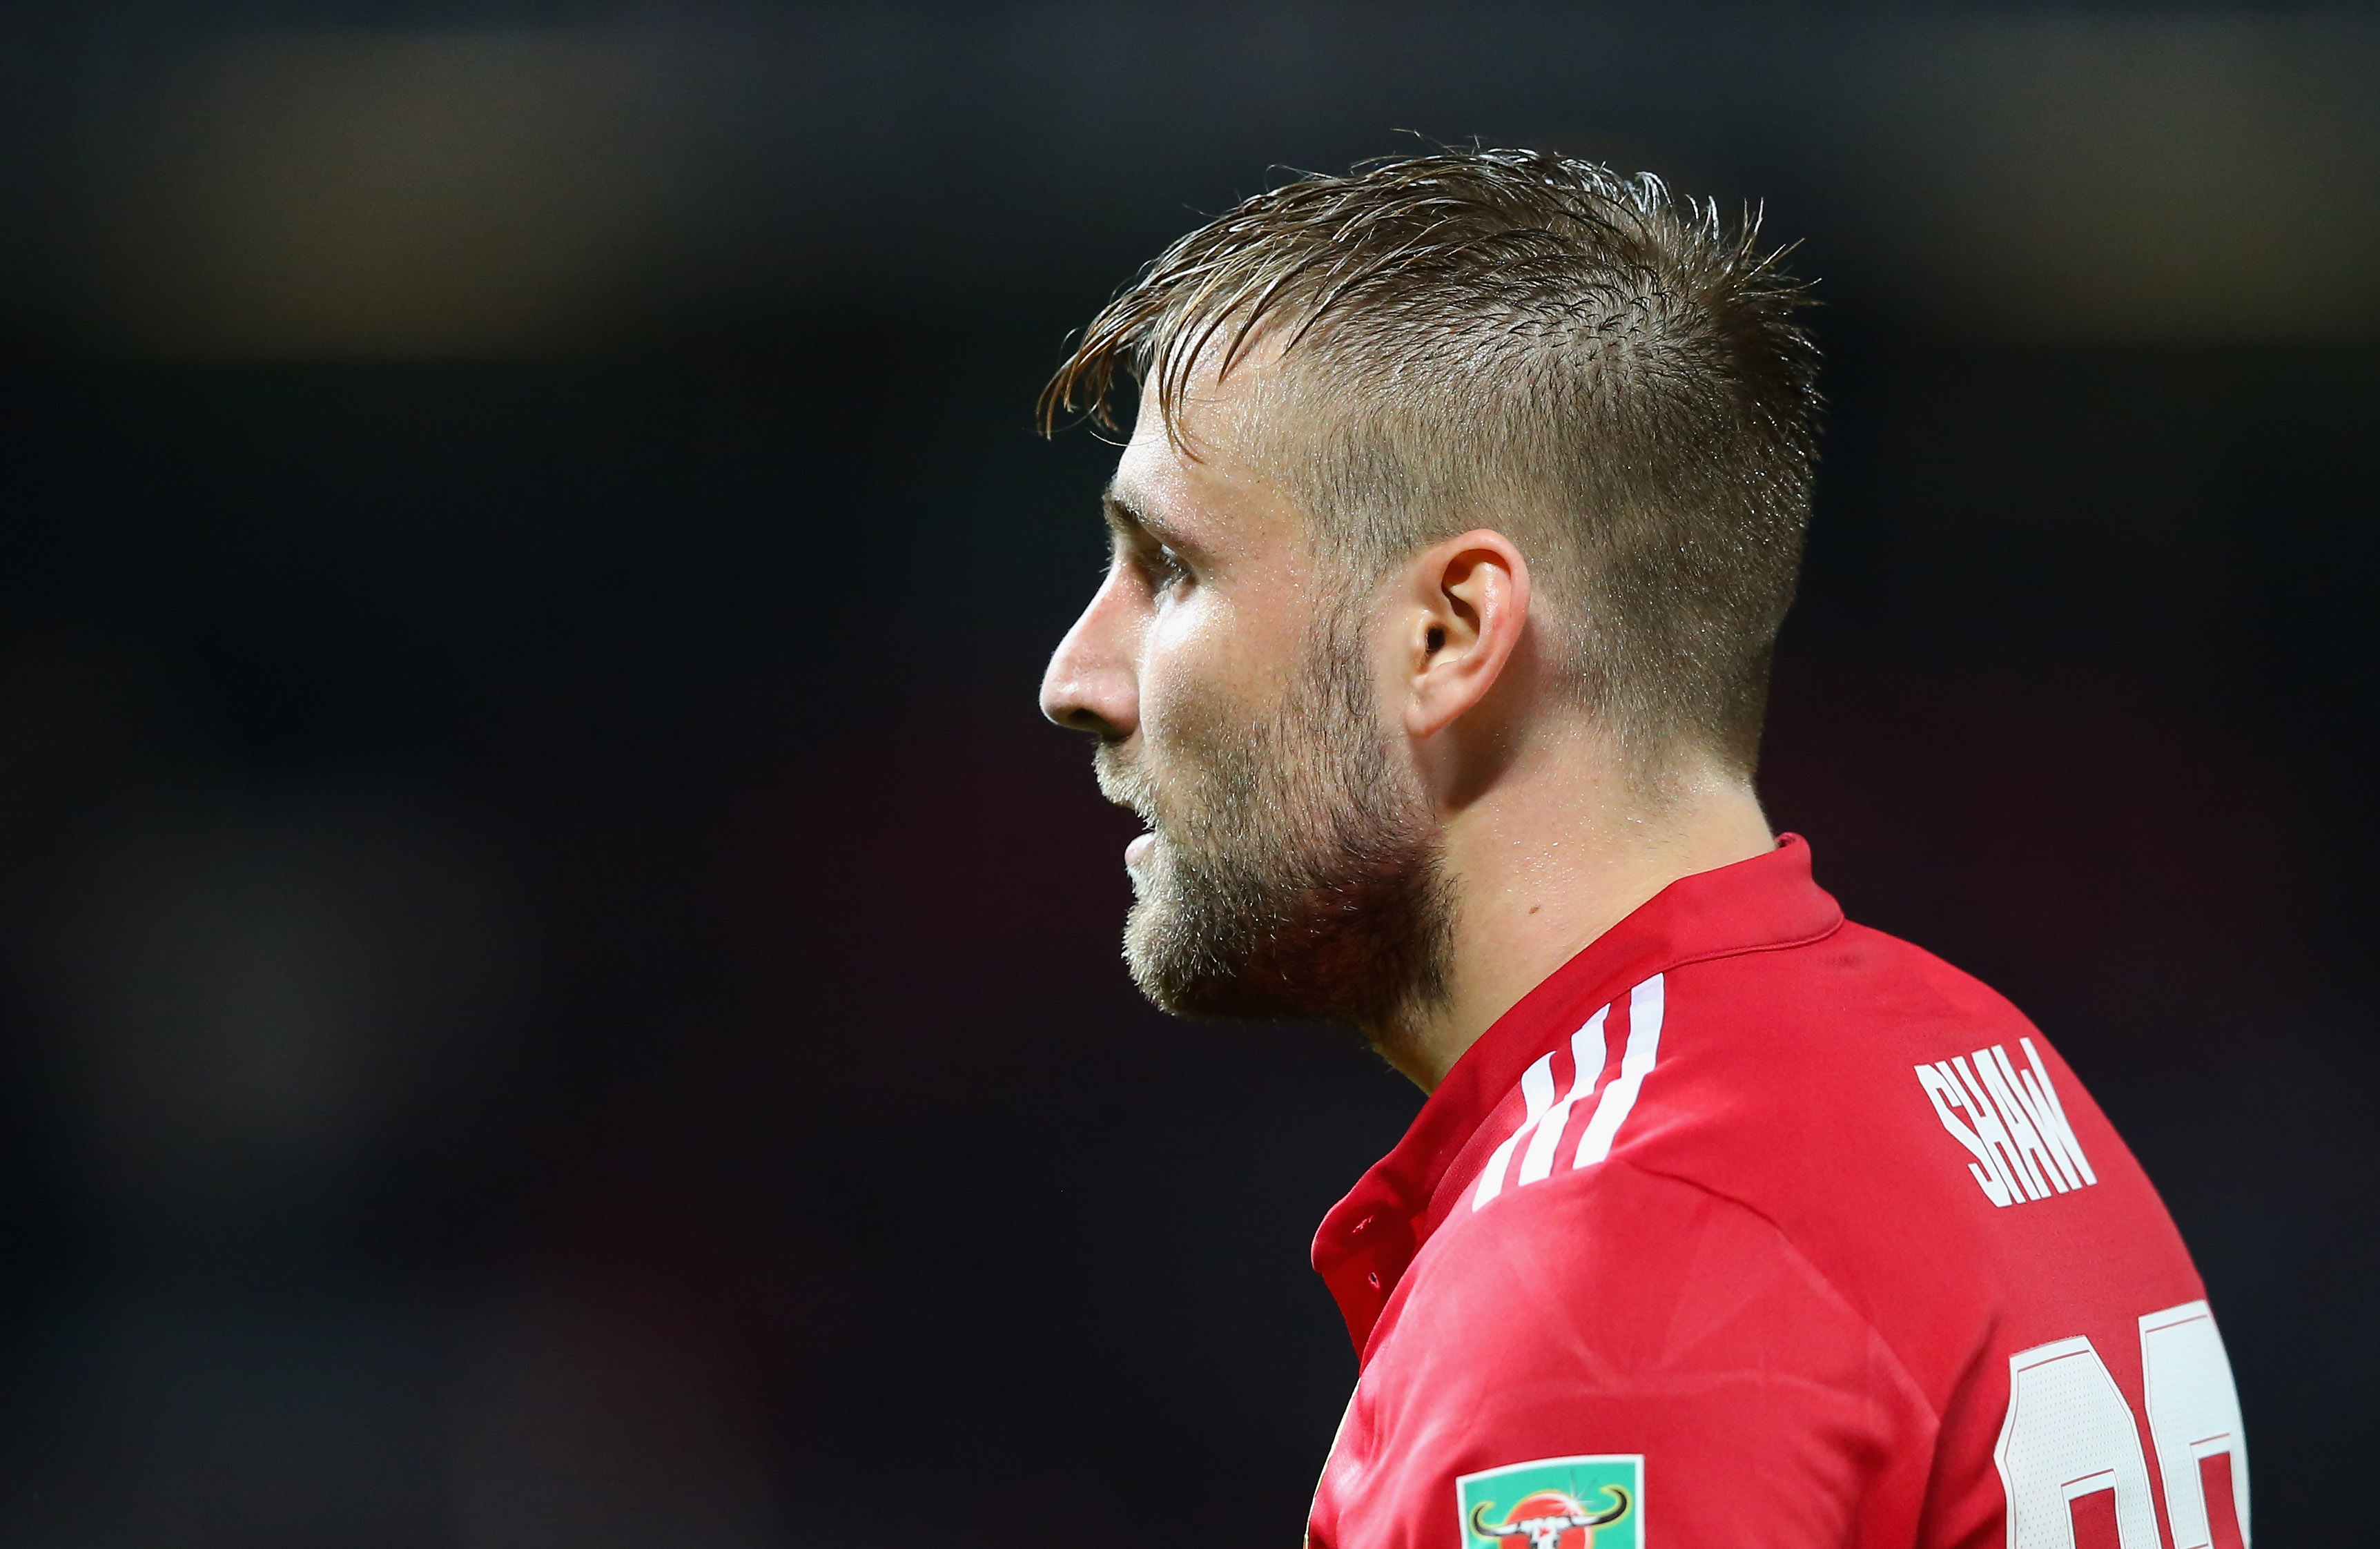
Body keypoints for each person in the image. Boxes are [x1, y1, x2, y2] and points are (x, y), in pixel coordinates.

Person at [1035, 148, 2247, 1549]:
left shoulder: (1621, 1260)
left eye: (1171, 569)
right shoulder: (1972, 1070)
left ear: (1445, 636)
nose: (1078, 675)